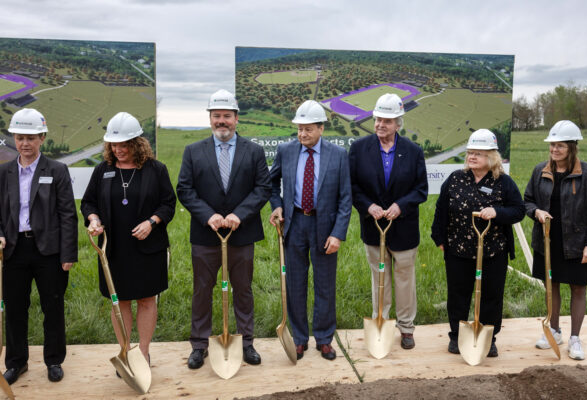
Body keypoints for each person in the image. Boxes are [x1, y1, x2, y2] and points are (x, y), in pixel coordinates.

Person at [177, 89, 270, 369]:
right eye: (216, 115)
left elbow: (263, 187)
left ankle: (246, 342)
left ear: (236, 118)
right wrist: (209, 216)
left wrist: (240, 214)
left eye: (226, 116)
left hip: (241, 234)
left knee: (243, 289)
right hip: (207, 235)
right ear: (209, 119)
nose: (221, 121)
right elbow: (185, 188)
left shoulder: (253, 151)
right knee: (202, 289)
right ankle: (199, 344)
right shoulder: (193, 151)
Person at [81, 112, 175, 367]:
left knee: (146, 299)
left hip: (148, 248)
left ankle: (143, 352)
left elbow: (168, 204)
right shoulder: (103, 170)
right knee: (119, 300)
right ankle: (125, 351)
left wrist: (152, 222)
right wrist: (93, 220)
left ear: (137, 143)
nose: (118, 149)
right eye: (114, 144)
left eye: (124, 144)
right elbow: (89, 202)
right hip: (114, 250)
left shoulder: (156, 170)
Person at [269, 100, 352, 361]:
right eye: (299, 129)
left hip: (324, 227)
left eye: (308, 129)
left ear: (321, 128)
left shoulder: (337, 155)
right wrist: (277, 206)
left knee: (325, 285)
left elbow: (345, 198)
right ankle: (300, 338)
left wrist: (337, 233)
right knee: (295, 284)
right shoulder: (286, 151)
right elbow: (271, 185)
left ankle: (325, 339)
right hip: (294, 225)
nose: (302, 134)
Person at [431, 129, 525, 357]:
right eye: (470, 153)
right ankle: (456, 336)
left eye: (478, 154)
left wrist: (497, 212)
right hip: (458, 249)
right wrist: (440, 238)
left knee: (491, 295)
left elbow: (519, 210)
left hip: (493, 251)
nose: (472, 157)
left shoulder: (503, 182)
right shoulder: (455, 179)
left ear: (491, 157)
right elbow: (442, 209)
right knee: (458, 294)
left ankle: (488, 338)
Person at [0, 108, 78, 384]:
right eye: (20, 137)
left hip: (49, 252)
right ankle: (16, 363)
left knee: (52, 308)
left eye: (31, 138)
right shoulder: (4, 172)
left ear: (42, 138)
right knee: (15, 309)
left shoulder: (56, 170)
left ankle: (54, 360)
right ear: (14, 138)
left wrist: (68, 253)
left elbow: (68, 214)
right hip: (13, 251)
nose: (25, 143)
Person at [349, 93, 428, 350]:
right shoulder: (359, 149)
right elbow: (352, 187)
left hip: (403, 228)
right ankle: (380, 320)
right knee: (378, 277)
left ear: (398, 124)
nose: (381, 124)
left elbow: (420, 190)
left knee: (405, 280)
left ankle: (406, 327)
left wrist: (400, 206)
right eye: (378, 119)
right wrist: (368, 206)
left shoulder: (413, 151)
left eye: (387, 120)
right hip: (374, 227)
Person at [524, 120, 587, 360]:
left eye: (560, 146)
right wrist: (536, 212)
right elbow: (527, 200)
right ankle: (554, 330)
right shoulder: (540, 171)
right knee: (551, 285)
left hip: (577, 243)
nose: (554, 150)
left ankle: (575, 339)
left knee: (578, 288)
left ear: (572, 147)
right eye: (552, 145)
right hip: (547, 241)